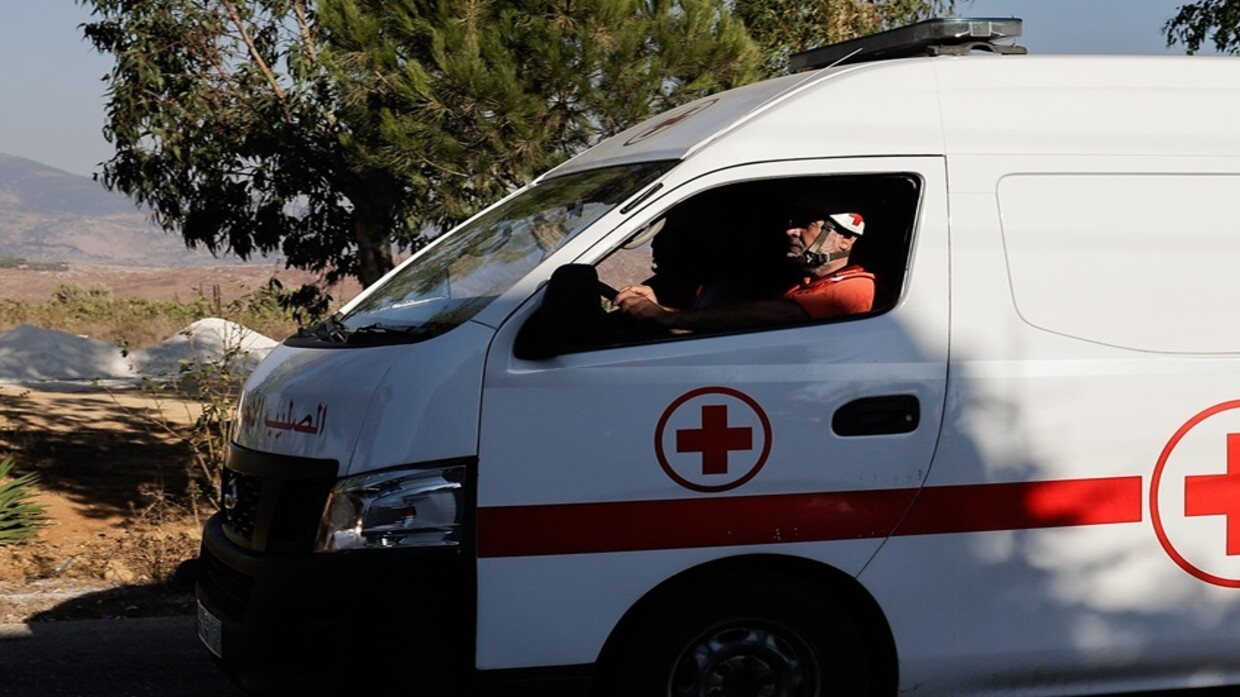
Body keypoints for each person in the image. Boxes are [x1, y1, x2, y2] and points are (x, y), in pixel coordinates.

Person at [614, 209, 875, 331]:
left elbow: (773, 316)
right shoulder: (805, 284)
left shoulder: (857, 287)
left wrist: (666, 317)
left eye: (807, 225)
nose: (791, 232)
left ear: (846, 239)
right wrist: (660, 311)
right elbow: (711, 329)